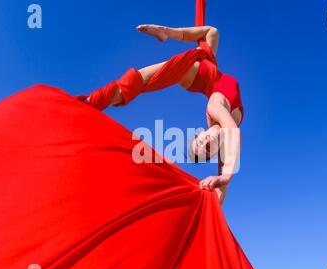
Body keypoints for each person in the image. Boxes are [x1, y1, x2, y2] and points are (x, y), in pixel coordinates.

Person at [81, 24, 243, 204]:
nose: (206, 142)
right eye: (207, 149)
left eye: (200, 142)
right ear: (215, 152)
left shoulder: (214, 110)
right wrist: (223, 182)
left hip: (196, 72)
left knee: (137, 82)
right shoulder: (225, 136)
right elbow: (223, 182)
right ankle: (166, 33)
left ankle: (89, 103)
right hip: (209, 68)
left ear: (201, 133)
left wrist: (225, 180)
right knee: (212, 32)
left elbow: (232, 134)